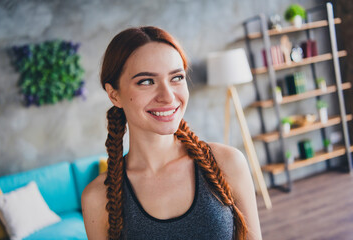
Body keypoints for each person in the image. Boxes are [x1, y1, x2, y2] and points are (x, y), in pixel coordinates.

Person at [81, 26, 262, 240]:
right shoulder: (98, 198)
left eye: (176, 77)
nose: (167, 96)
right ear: (114, 95)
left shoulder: (228, 163)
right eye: (146, 81)